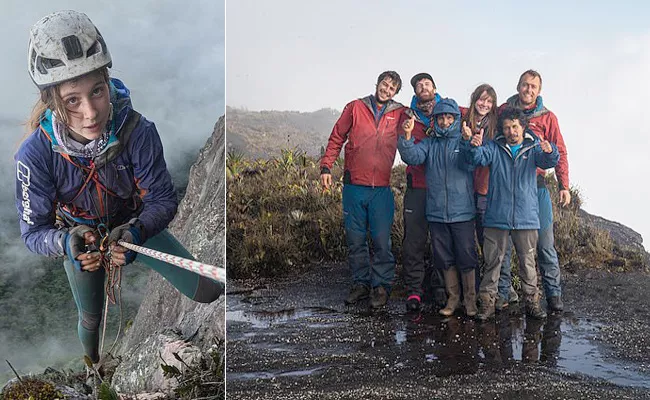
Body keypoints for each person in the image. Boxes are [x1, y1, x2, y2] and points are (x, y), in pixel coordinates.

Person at [15, 11, 223, 368]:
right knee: (90, 318)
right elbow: (33, 232)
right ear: (52, 101)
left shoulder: (137, 132)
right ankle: (93, 365)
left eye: (97, 91)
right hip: (83, 244)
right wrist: (68, 242)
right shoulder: (35, 155)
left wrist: (135, 232)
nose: (91, 112)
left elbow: (161, 199)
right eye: (72, 100)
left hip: (132, 228)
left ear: (108, 81)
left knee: (208, 290)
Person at [462, 107, 559, 321]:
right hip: (497, 216)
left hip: (526, 218)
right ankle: (487, 304)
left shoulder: (533, 148)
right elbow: (478, 157)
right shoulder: (494, 147)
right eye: (507, 127)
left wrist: (550, 150)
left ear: (522, 127)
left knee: (528, 264)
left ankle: (532, 304)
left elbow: (549, 161)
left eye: (515, 126)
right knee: (492, 263)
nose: (511, 131)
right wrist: (473, 145)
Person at [320, 71, 404, 308]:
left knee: (381, 240)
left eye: (391, 89)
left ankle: (381, 287)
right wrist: (326, 167)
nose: (386, 90)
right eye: (384, 85)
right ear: (377, 83)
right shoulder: (355, 107)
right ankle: (360, 284)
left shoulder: (399, 113)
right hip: (354, 186)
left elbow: (422, 120)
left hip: (382, 189)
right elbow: (337, 137)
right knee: (356, 240)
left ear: (395, 93)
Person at [498, 69, 570, 312]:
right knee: (504, 247)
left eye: (533, 87)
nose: (528, 90)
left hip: (536, 187)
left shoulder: (548, 117)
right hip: (506, 188)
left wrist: (564, 185)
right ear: (518, 86)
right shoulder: (504, 110)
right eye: (525, 85)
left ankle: (553, 295)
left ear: (539, 91)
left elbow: (559, 151)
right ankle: (505, 293)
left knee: (545, 244)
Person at [398, 98, 478, 318]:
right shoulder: (429, 143)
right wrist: (406, 137)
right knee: (444, 257)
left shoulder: (462, 141)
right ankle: (453, 300)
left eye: (449, 117)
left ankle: (470, 301)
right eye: (440, 117)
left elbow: (470, 163)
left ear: (456, 119)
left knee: (466, 256)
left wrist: (467, 142)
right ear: (435, 120)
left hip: (462, 212)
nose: (444, 121)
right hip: (436, 212)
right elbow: (412, 156)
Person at [398, 73, 443, 312]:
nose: (423, 87)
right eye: (419, 85)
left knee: (440, 241)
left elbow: (482, 109)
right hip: (416, 186)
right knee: (413, 241)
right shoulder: (406, 116)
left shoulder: (450, 110)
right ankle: (415, 289)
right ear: (415, 92)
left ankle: (439, 287)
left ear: (435, 88)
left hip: (441, 189)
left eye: (427, 83)